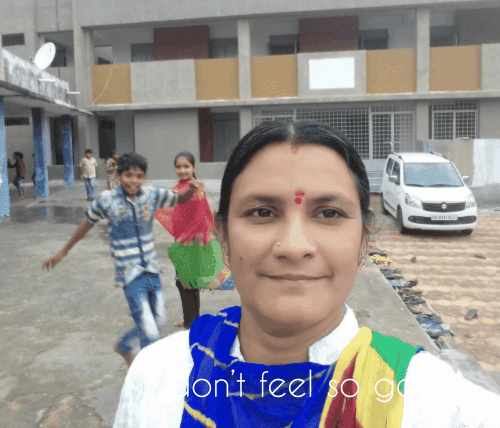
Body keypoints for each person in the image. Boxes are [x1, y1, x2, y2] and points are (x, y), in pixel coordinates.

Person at [113, 122, 499, 427]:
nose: (294, 246)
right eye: (262, 212)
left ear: (363, 242)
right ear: (224, 238)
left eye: (329, 213)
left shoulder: (432, 400)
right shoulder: (156, 376)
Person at [42, 153, 205, 368]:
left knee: (158, 321)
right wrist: (63, 252)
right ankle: (146, 371)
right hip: (130, 274)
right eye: (128, 175)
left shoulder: (151, 195)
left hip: (152, 269)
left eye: (139, 176)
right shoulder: (106, 200)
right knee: (150, 330)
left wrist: (191, 190)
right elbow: (86, 224)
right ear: (118, 176)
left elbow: (179, 198)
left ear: (144, 177)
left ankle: (124, 346)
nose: (134, 181)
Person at [154, 151, 225, 330]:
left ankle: (191, 324)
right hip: (183, 241)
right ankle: (191, 321)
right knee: (188, 283)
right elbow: (175, 213)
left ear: (194, 167)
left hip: (193, 243)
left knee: (186, 283)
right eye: (178, 167)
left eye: (186, 166)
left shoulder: (196, 189)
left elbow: (201, 218)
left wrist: (202, 235)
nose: (182, 170)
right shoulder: (178, 188)